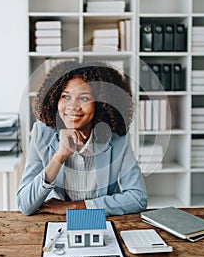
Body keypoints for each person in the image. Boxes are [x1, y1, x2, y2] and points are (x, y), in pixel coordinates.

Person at [17, 60, 147, 216]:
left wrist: (74, 207)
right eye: (65, 96)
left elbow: (138, 198)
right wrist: (60, 156)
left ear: (101, 103)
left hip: (101, 218)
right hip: (57, 222)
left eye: (84, 98)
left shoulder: (117, 137)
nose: (72, 106)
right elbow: (25, 205)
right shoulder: (42, 133)